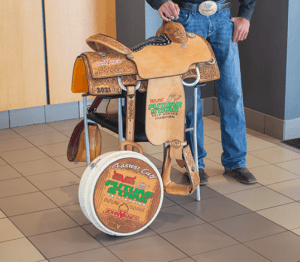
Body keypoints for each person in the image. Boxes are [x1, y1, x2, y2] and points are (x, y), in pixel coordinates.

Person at [146, 0, 257, 185]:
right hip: (185, 18)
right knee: (191, 98)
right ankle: (195, 164)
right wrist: (159, 2)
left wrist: (245, 15)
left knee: (232, 93)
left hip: (222, 18)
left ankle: (236, 162)